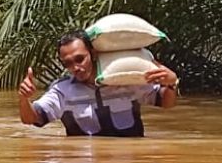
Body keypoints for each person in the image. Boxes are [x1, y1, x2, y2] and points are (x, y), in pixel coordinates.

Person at [18, 30, 179, 137]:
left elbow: (166, 103)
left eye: (80, 59)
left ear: (93, 54)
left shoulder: (125, 79)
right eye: (67, 63)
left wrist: (171, 83)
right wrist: (24, 100)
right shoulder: (63, 91)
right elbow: (31, 118)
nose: (75, 67)